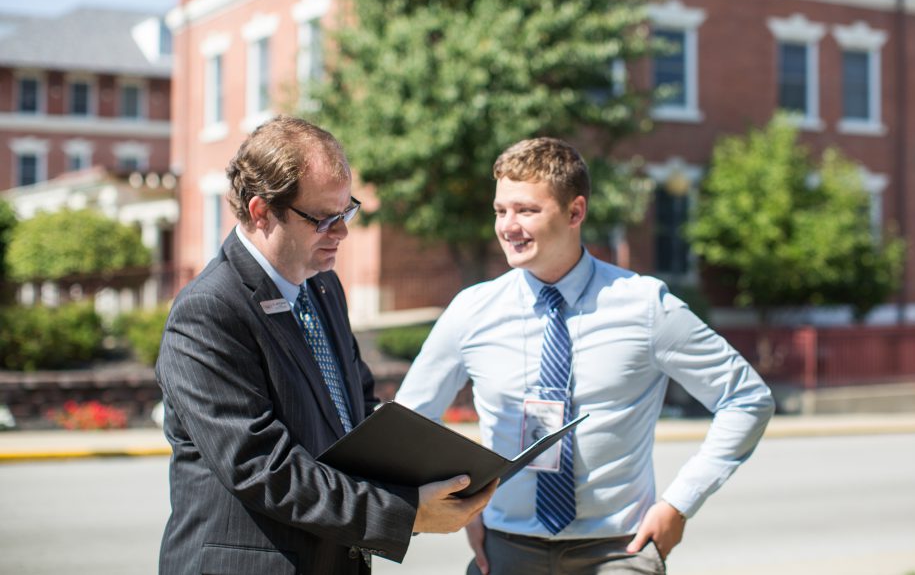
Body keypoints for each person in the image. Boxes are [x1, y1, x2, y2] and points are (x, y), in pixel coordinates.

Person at [396, 137, 775, 575]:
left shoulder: (645, 305)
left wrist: (679, 504)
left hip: (620, 551)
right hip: (504, 552)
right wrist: (463, 504)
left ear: (575, 212)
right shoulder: (471, 310)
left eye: (527, 210)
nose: (508, 226)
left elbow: (747, 399)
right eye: (501, 210)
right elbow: (411, 421)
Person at [157, 116, 494, 575]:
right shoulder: (209, 311)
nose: (341, 232)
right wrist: (405, 512)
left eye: (346, 211)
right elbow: (261, 466)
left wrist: (441, 477)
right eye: (323, 219)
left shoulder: (323, 287)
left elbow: (357, 414)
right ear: (261, 212)